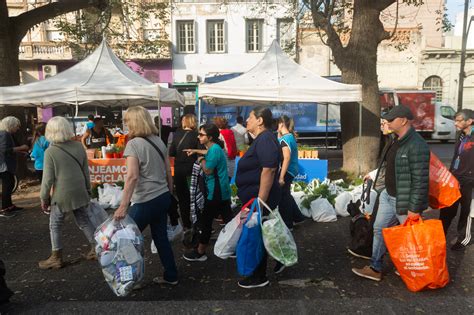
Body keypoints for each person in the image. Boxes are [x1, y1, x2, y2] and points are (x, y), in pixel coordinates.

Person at [352, 105, 430, 282]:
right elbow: (388, 165)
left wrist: (414, 208)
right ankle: (375, 268)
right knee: (379, 229)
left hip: (404, 200)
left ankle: (419, 271)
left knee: (411, 239)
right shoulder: (396, 139)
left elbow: (421, 180)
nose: (386, 122)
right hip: (389, 195)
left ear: (403, 120)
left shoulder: (417, 145)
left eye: (390, 120)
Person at [113, 106, 178, 286]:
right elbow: (167, 172)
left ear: (133, 122)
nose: (126, 125)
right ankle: (171, 275)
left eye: (127, 122)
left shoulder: (133, 144)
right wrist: (169, 194)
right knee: (161, 238)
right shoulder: (158, 140)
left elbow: (132, 176)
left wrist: (123, 205)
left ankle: (130, 280)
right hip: (162, 196)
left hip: (145, 200)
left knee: (125, 242)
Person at [39, 116, 96, 269]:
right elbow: (85, 171)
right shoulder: (78, 146)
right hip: (79, 190)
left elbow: (47, 180)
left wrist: (43, 198)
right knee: (83, 220)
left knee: (55, 224)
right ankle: (96, 248)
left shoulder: (50, 151)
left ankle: (56, 257)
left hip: (62, 194)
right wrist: (88, 189)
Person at [235, 107, 281, 289]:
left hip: (259, 200)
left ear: (260, 121)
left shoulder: (266, 139)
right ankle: (260, 271)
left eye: (250, 117)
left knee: (258, 235)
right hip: (255, 199)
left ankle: (258, 276)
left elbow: (268, 169)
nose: (247, 120)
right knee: (259, 234)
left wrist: (260, 201)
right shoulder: (262, 139)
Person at [182, 124, 233, 261]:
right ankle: (234, 248)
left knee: (206, 222)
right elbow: (209, 152)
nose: (198, 136)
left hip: (215, 192)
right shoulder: (213, 148)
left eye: (201, 134)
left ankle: (200, 252)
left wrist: (201, 159)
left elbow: (208, 170)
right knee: (229, 221)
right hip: (221, 190)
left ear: (209, 137)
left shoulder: (214, 150)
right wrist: (196, 151)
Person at [439, 109, 474, 251]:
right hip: (454, 179)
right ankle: (440, 236)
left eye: (459, 120)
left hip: (470, 181)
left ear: (470, 121)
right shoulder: (459, 135)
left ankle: (463, 239)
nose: (455, 123)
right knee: (447, 209)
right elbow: (456, 156)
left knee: (466, 212)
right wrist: (450, 173)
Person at [169, 114, 199, 231]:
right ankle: (197, 222)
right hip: (192, 169)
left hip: (178, 170)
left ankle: (186, 224)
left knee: (182, 198)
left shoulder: (176, 134)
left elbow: (171, 152)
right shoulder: (197, 136)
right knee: (195, 196)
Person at [277, 115, 306, 231]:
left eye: (278, 124)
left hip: (287, 170)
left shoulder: (285, 139)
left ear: (281, 124)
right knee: (286, 195)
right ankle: (298, 217)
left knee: (284, 197)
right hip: (292, 169)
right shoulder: (289, 137)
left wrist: (281, 177)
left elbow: (286, 158)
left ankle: (288, 224)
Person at [0, 116, 29, 217]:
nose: (18, 128)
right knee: (7, 186)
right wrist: (21, 148)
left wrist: (20, 152)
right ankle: (4, 209)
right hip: (4, 165)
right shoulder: (4, 134)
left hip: (5, 164)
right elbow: (4, 150)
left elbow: (8, 149)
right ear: (11, 125)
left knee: (10, 183)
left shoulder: (6, 134)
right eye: (17, 126)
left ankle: (9, 206)